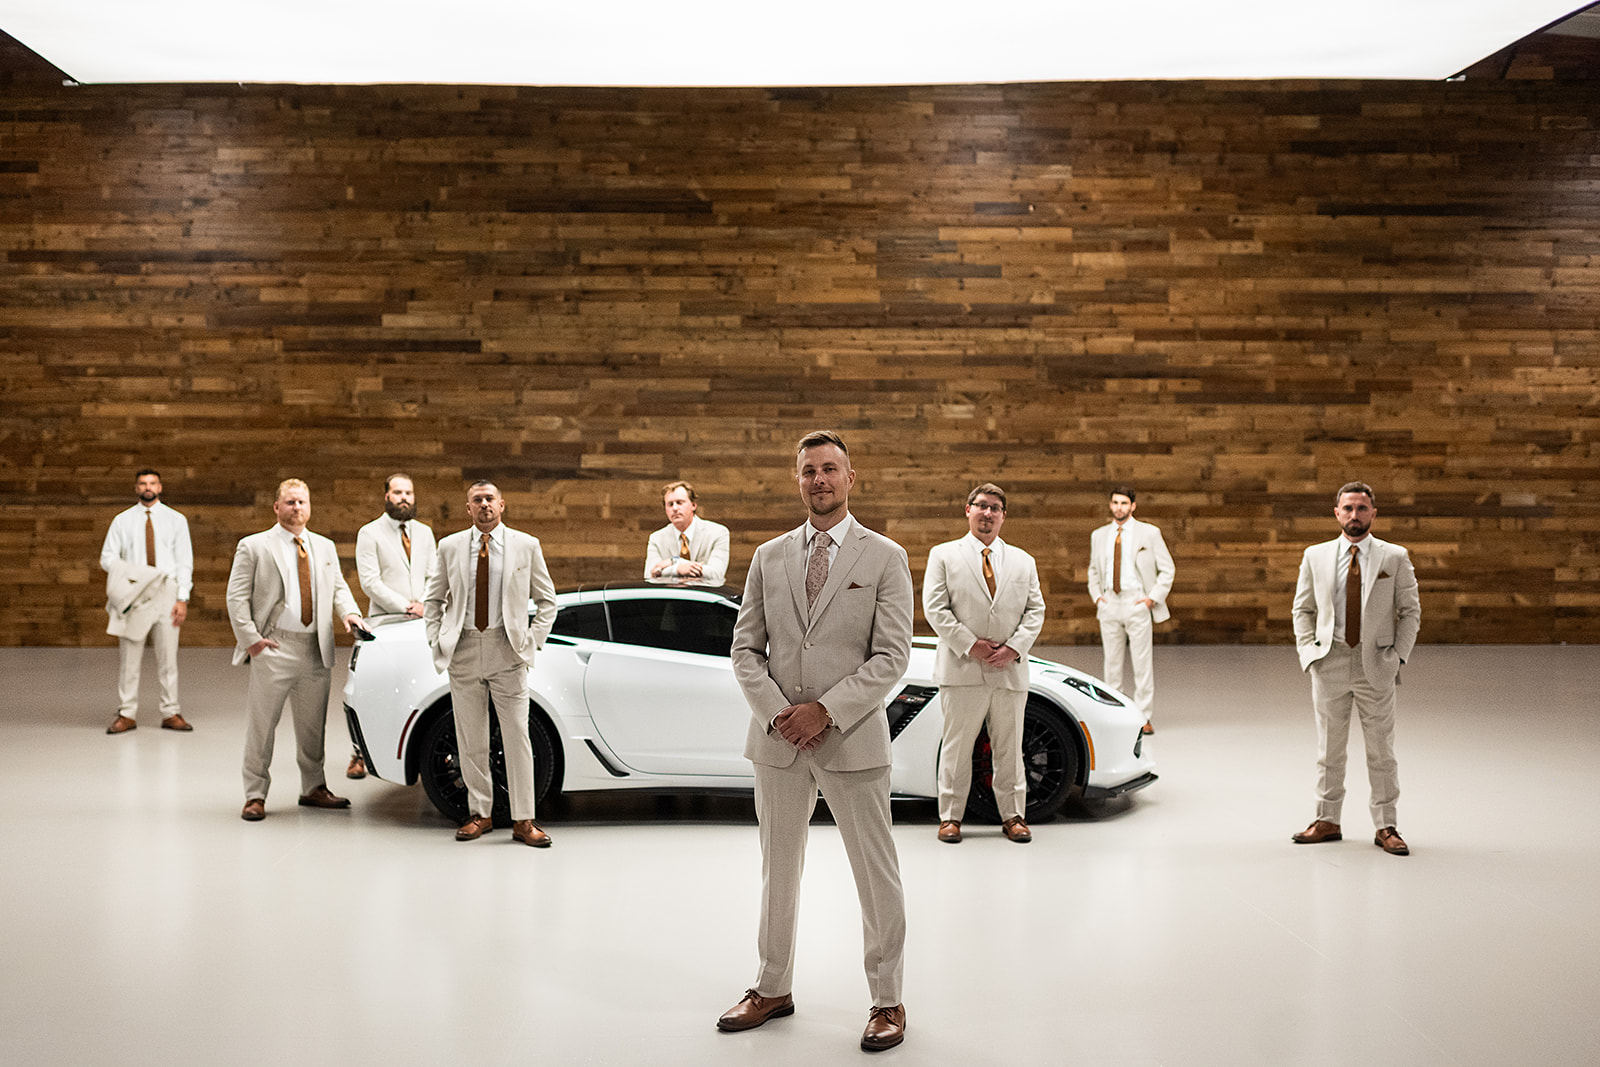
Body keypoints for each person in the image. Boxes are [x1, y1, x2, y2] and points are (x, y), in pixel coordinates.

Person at [717, 430, 914, 1052]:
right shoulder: (768, 556)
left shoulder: (885, 557)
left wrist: (824, 712)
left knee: (874, 873)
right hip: (777, 742)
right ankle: (771, 986)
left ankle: (888, 999)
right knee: (778, 869)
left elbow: (892, 657)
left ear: (851, 478)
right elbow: (745, 650)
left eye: (830, 469)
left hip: (850, 738)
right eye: (808, 471)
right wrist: (781, 715)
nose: (819, 480)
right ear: (797, 479)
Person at [424, 480, 558, 848]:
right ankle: (480, 814)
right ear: (468, 508)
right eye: (476, 500)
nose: (484, 505)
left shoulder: (526, 545)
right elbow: (433, 600)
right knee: (471, 739)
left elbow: (548, 602)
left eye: (489, 499)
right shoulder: (449, 547)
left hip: (506, 648)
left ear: (502, 504)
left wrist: (530, 642)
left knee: (518, 736)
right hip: (464, 648)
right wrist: (438, 639)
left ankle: (523, 820)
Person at [1291, 482, 1421, 856]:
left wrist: (1397, 656)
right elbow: (1303, 609)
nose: (1354, 515)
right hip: (1329, 661)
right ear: (1337, 513)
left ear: (1373, 513)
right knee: (1328, 748)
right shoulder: (1315, 556)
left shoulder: (1394, 557)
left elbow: (1410, 611)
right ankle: (1327, 819)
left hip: (1375, 664)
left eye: (1362, 508)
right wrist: (1309, 653)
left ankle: (1386, 825)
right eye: (1347, 508)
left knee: (1382, 750)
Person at [227, 479, 365, 821]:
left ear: (309, 506)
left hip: (314, 648)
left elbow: (337, 588)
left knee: (312, 726)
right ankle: (255, 793)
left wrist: (350, 612)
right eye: (289, 502)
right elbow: (236, 597)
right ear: (276, 507)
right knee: (262, 726)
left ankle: (313, 787)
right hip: (274, 646)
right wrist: (251, 640)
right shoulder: (254, 546)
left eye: (301, 502)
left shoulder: (324, 546)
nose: (296, 508)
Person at [922, 482, 1046, 845]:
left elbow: (1035, 611)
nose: (987, 513)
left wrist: (1014, 648)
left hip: (1009, 670)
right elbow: (935, 608)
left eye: (995, 508)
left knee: (1010, 749)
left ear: (1003, 516)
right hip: (961, 670)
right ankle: (950, 817)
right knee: (957, 749)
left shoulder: (1024, 561)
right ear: (968, 510)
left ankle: (1013, 816)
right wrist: (970, 645)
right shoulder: (943, 555)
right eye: (981, 506)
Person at [349, 473, 436, 778]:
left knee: (414, 687)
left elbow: (434, 576)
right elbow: (370, 582)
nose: (404, 498)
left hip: (422, 621)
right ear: (386, 496)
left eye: (409, 493)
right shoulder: (369, 533)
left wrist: (424, 604)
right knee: (375, 689)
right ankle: (360, 753)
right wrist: (406, 606)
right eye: (398, 492)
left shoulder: (425, 533)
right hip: (386, 622)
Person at [100, 468, 194, 733]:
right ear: (136, 488)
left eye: (152, 483)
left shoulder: (176, 520)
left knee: (168, 657)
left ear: (160, 487)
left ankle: (171, 712)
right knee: (130, 657)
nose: (147, 487)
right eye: (142, 483)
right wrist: (136, 574)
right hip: (136, 593)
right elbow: (107, 558)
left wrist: (182, 598)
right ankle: (127, 713)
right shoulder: (122, 521)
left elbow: (184, 561)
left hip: (167, 592)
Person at [1086, 485, 1175, 734]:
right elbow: (1093, 569)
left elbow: (1168, 569)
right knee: (1111, 664)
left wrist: (1151, 599)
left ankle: (1144, 716)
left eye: (1124, 503)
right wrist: (1097, 597)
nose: (1119, 507)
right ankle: (1113, 716)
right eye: (1115, 502)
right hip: (1109, 604)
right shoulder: (1099, 535)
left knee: (1142, 662)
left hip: (1137, 602)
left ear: (1133, 506)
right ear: (1110, 505)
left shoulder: (1149, 533)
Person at [644, 480, 730, 584]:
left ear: (693, 505)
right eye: (670, 504)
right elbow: (649, 575)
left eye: (680, 502)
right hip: (670, 597)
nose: (675, 508)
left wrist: (673, 562)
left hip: (705, 597)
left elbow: (716, 574)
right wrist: (678, 569)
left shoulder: (718, 532)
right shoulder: (656, 538)